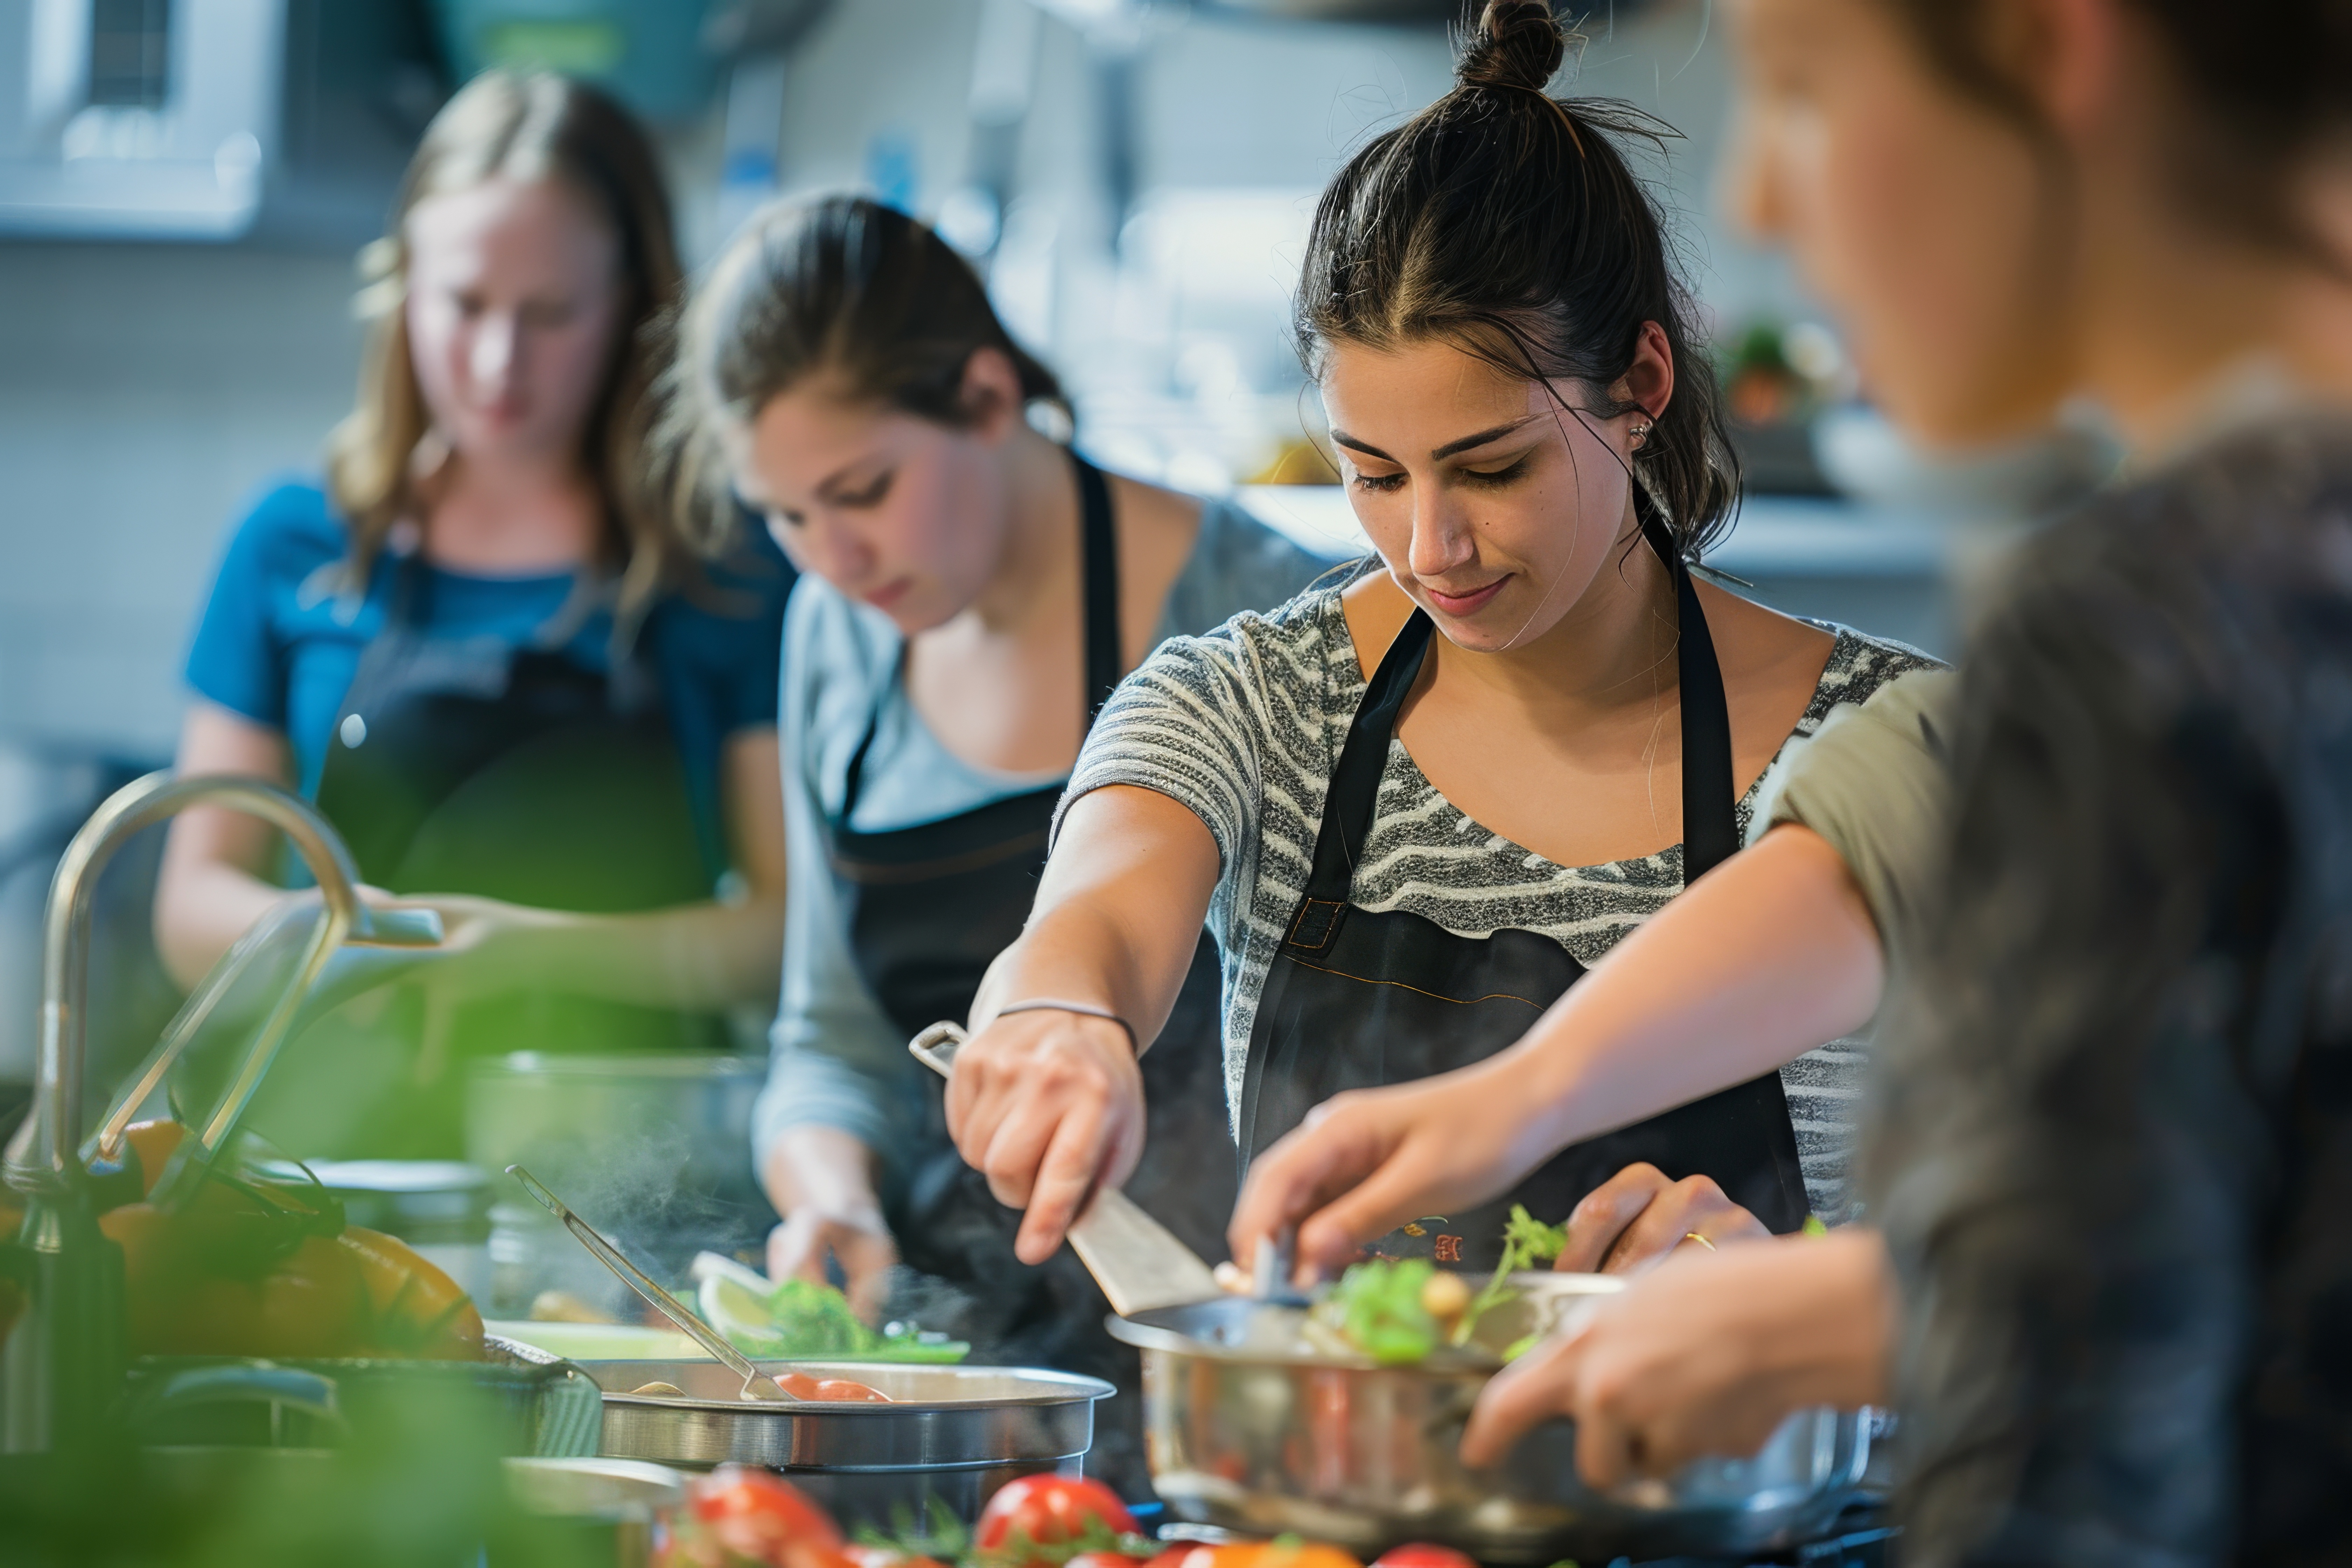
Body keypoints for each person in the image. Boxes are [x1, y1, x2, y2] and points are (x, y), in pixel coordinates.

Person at [1233, 0, 2352, 1558]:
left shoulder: (2192, 609)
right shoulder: (2180, 582)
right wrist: (1508, 1103)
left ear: (2048, 47)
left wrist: (1844, 1312)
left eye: (1807, 91)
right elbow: (1895, 829)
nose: (1759, 198)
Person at [939, 0, 1937, 1286]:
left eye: (1492, 467)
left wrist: (1800, 1297)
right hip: (1337, 1477)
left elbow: (2038, 1287)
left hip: (1774, 1483)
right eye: (1375, 474)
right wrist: (1059, 1020)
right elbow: (1096, 922)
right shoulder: (1256, 706)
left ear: (1641, 386)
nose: (1429, 547)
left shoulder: (1893, 751)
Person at [671, 196, 1333, 1487]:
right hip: (949, 1385)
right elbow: (833, 1043)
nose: (835, 560)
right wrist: (832, 1200)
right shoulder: (835, 640)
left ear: (987, 396)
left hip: (1228, 1374)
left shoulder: (1259, 614)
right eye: (787, 516)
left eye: (862, 492)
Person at [157, 73, 793, 1156]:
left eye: (551, 314)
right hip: (331, 1163)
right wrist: (358, 938)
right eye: (464, 305)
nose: (500, 364)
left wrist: (527, 950)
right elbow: (192, 905)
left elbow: (784, 936)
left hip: (629, 1181)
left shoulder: (732, 564)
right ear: (403, 292)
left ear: (637, 304)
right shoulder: (294, 540)